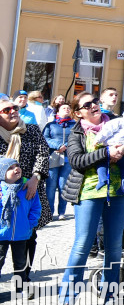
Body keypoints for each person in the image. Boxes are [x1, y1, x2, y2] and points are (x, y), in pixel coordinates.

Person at [57, 92, 124, 305]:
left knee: (114, 246)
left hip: (119, 190)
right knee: (83, 244)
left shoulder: (117, 123)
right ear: (78, 112)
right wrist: (106, 153)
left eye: (95, 101)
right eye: (88, 104)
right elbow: (76, 161)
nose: (94, 105)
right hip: (88, 192)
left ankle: (110, 292)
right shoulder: (77, 132)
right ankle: (67, 296)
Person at [0, 93, 50, 286]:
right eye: (6, 110)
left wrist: (35, 178)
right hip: (3, 194)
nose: (13, 112)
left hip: (29, 191)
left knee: (29, 235)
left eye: (14, 108)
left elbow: (43, 153)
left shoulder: (31, 130)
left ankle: (23, 278)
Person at [0, 157, 41, 292]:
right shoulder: (1, 190)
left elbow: (35, 208)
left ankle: (20, 288)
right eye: (10, 168)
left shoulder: (27, 187)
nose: (16, 169)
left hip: (21, 234)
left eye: (17, 166)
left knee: (21, 263)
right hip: (1, 234)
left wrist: (30, 224)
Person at [42, 103, 75, 220]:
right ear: (58, 111)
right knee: (50, 186)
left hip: (67, 158)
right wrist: (58, 145)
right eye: (63, 108)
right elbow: (45, 138)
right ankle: (49, 212)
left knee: (63, 185)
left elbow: (77, 139)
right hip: (53, 157)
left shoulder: (75, 125)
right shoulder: (51, 125)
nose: (66, 109)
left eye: (68, 108)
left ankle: (62, 212)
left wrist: (66, 146)